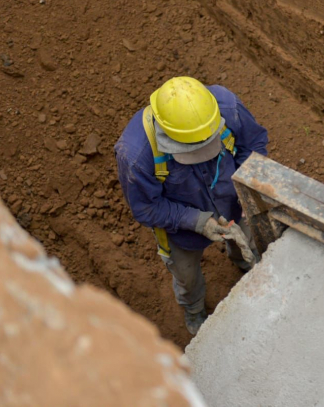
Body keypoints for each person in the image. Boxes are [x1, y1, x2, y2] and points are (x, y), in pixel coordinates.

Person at [114, 76, 268, 334]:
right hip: (181, 230)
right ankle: (194, 309)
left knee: (248, 243)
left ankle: (243, 263)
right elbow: (146, 208)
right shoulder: (136, 155)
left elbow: (253, 145)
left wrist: (247, 184)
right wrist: (197, 222)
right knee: (187, 277)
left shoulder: (227, 107)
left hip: (232, 202)